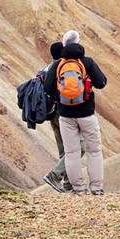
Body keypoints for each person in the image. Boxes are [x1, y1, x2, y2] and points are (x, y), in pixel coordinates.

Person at [43, 40, 108, 195]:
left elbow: (47, 87)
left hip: (65, 116)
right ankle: (96, 187)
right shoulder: (87, 62)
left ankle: (78, 188)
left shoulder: (58, 65)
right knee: (94, 150)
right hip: (86, 114)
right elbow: (102, 82)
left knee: (71, 152)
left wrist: (61, 96)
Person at [40, 41, 85, 193]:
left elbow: (46, 88)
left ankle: (69, 185)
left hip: (51, 113)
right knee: (79, 147)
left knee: (64, 151)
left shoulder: (47, 67)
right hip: (62, 113)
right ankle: (54, 176)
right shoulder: (61, 67)